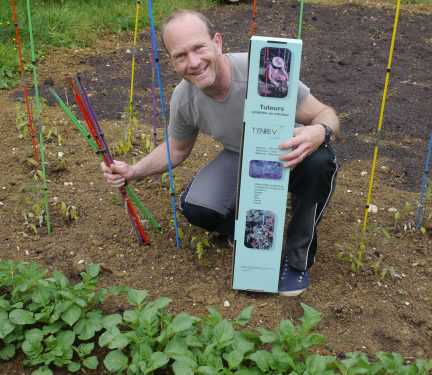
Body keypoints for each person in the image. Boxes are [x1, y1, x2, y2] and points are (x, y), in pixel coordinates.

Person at [102, 10, 339, 296]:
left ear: (217, 42)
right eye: (180, 55)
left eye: (198, 48)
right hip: (240, 154)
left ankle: (296, 258)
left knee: (320, 162)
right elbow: (176, 149)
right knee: (197, 207)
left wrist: (319, 132)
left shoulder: (264, 69)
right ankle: (248, 231)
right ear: (172, 62)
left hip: (290, 152)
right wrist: (133, 171)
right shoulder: (185, 98)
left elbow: (326, 114)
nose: (193, 62)